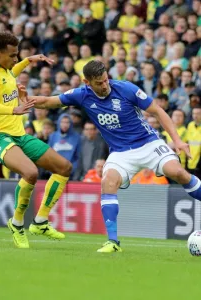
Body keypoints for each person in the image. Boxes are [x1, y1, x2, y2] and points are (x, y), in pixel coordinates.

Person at [26, 60, 199, 253]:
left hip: (149, 144)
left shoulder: (125, 89)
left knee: (178, 172)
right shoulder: (81, 95)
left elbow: (157, 111)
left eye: (106, 80)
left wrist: (177, 140)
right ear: (87, 82)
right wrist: (24, 98)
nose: (105, 85)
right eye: (99, 83)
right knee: (107, 182)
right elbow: (49, 101)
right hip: (120, 152)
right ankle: (113, 242)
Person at [0, 32, 72, 249]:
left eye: (17, 55)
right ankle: (17, 223)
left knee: (64, 167)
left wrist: (29, 60)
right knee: (30, 172)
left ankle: (40, 221)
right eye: (13, 56)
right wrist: (15, 109)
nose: (16, 60)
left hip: (18, 135)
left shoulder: (4, 69)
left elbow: (11, 72)